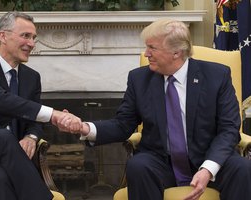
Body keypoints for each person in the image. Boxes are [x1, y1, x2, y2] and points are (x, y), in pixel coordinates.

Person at [63, 19, 251, 200]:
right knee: (138, 165)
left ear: (176, 52)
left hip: (208, 157)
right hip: (162, 162)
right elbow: (123, 124)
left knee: (242, 168)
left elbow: (229, 129)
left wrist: (208, 169)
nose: (146, 54)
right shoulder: (139, 79)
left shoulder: (217, 76)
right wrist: (84, 128)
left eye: (152, 48)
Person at [0, 11, 81, 200]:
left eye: (34, 37)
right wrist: (54, 114)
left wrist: (31, 137)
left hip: (4, 162)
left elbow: (35, 122)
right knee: (3, 137)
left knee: (1, 177)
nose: (32, 43)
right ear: (3, 36)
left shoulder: (32, 77)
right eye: (25, 36)